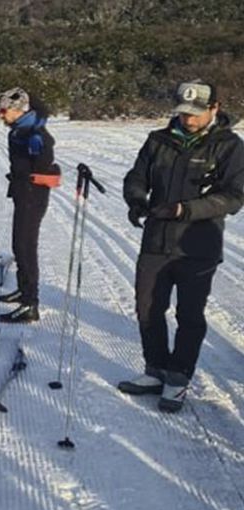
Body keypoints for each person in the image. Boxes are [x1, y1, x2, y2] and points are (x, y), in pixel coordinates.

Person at [119, 80, 243, 413]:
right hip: (157, 241)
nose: (189, 119)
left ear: (214, 109)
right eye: (183, 112)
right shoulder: (158, 140)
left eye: (196, 113)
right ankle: (156, 370)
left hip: (198, 246)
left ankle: (178, 377)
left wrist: (184, 210)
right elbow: (136, 176)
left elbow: (233, 198)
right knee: (147, 307)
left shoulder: (229, 146)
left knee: (189, 314)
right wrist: (135, 199)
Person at [0, 87, 60, 323]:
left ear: (17, 109)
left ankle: (30, 304)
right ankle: (24, 291)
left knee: (25, 247)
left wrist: (37, 168)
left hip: (33, 196)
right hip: (24, 193)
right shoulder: (20, 130)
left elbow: (47, 168)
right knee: (18, 245)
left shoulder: (35, 133)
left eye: (4, 110)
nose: (1, 115)